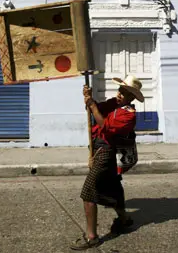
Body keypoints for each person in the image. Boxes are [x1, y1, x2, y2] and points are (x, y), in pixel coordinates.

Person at [70, 75, 144, 251]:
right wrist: (89, 98)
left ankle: (92, 237)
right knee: (113, 187)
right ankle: (124, 219)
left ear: (132, 98)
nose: (120, 94)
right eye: (120, 90)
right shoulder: (114, 104)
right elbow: (94, 110)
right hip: (99, 149)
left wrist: (93, 106)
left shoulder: (128, 115)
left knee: (89, 191)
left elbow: (104, 125)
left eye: (125, 93)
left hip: (106, 152)